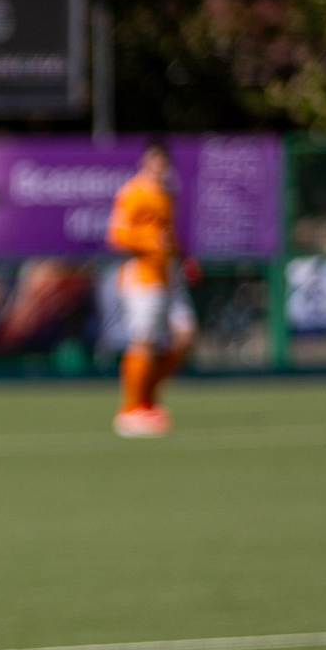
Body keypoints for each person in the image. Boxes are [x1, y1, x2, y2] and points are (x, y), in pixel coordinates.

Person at [106, 140, 198, 437]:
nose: (158, 167)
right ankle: (130, 410)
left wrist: (183, 257)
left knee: (185, 336)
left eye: (162, 162)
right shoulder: (133, 193)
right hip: (142, 276)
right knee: (143, 341)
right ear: (144, 162)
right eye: (153, 161)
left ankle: (148, 399)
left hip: (168, 275)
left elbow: (168, 232)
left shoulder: (166, 192)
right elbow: (117, 235)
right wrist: (149, 243)